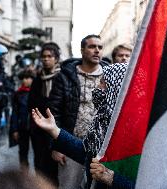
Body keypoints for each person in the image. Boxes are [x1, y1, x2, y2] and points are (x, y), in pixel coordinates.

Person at [32, 62, 135, 189]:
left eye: (103, 83)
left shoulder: (135, 130)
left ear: (117, 87)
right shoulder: (104, 120)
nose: (97, 87)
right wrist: (55, 130)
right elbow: (88, 155)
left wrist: (112, 178)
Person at [48, 34, 107, 188]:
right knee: (69, 186)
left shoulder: (110, 75)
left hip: (100, 149)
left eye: (100, 47)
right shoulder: (65, 76)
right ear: (82, 50)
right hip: (71, 144)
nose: (97, 51)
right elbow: (55, 112)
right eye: (92, 46)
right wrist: (57, 145)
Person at [28, 42, 61, 186]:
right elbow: (31, 104)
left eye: (50, 56)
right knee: (40, 166)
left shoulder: (62, 78)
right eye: (43, 57)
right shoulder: (37, 80)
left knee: (54, 168)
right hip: (39, 131)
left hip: (57, 130)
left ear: (56, 59)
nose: (46, 59)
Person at [9, 70, 35, 171]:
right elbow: (14, 112)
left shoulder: (37, 92)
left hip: (35, 128)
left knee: (39, 153)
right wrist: (14, 129)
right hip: (22, 127)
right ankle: (24, 176)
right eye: (23, 78)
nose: (25, 80)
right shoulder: (18, 94)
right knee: (23, 152)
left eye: (28, 78)